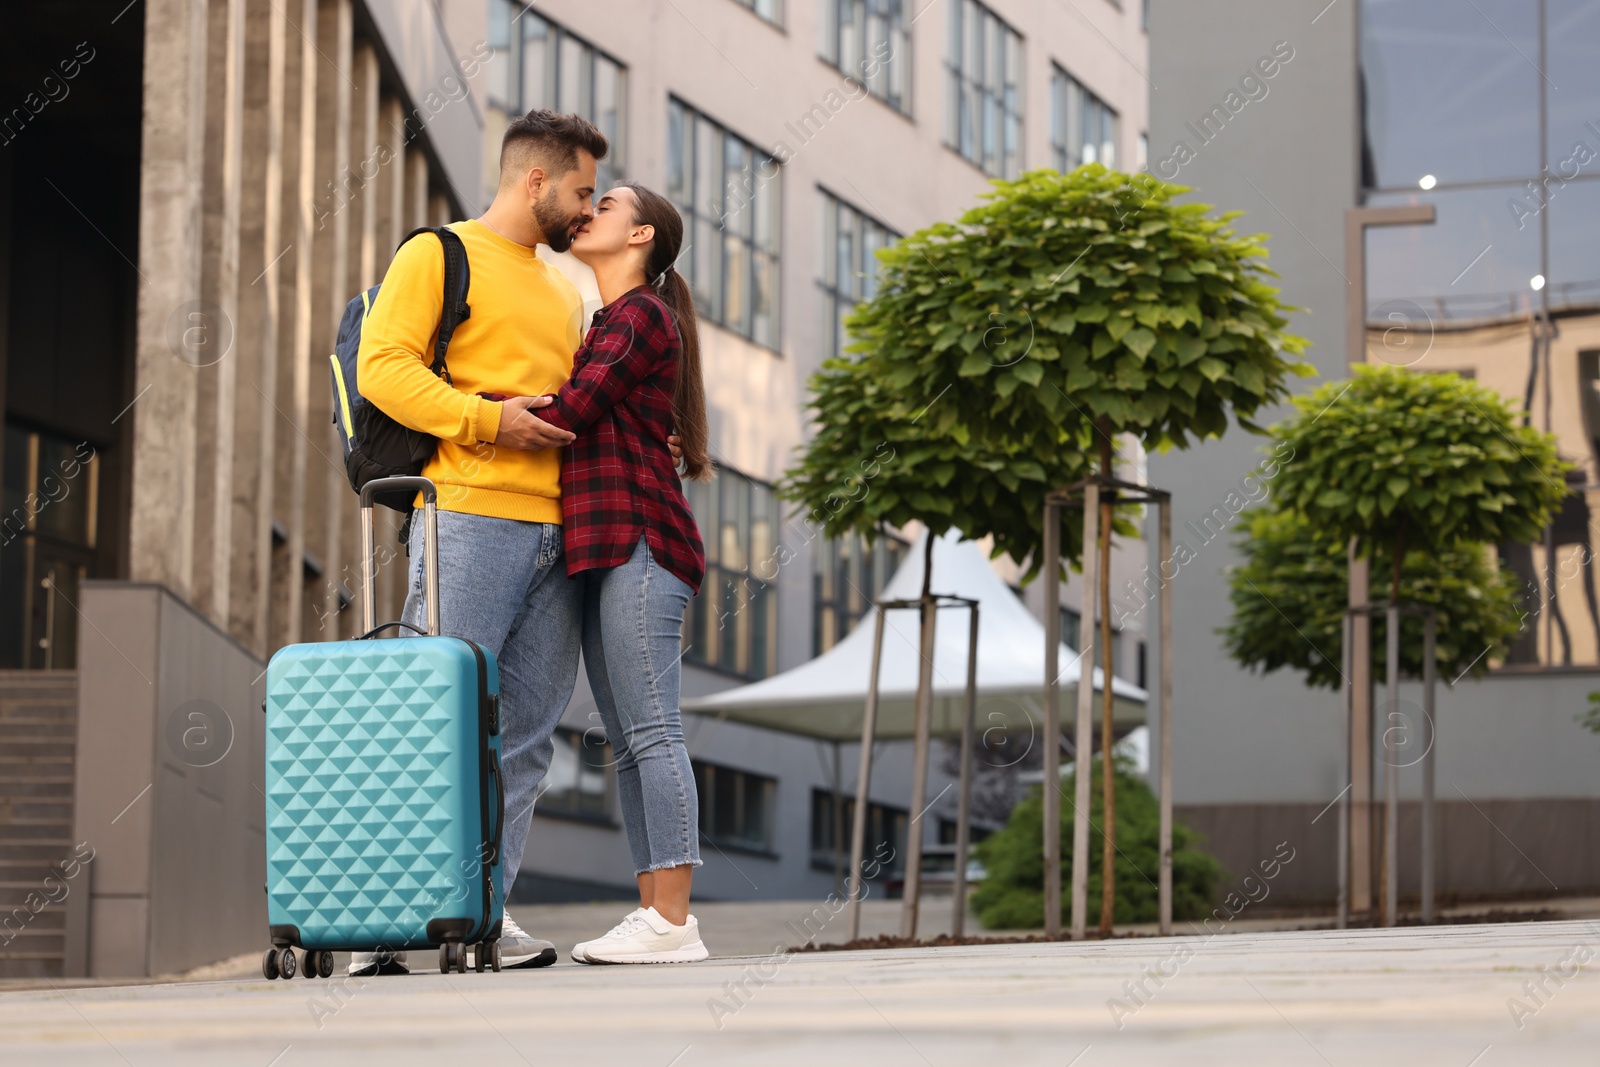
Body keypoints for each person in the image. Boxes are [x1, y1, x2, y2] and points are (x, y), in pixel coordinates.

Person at [353, 109, 607, 975]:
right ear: (534, 180)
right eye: (580, 191)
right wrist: (487, 419)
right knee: (433, 721)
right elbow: (382, 366)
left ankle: (485, 917)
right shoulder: (438, 253)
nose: (587, 210)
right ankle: (381, 924)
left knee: (528, 736)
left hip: (557, 532)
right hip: (466, 513)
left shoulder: (565, 291)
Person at [528, 183, 713, 964]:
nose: (588, 211)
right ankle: (655, 916)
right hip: (608, 546)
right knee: (632, 740)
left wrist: (477, 407)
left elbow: (573, 407)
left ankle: (672, 920)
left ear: (639, 235)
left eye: (605, 203)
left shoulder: (639, 315)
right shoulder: (611, 318)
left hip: (640, 540)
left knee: (651, 729)